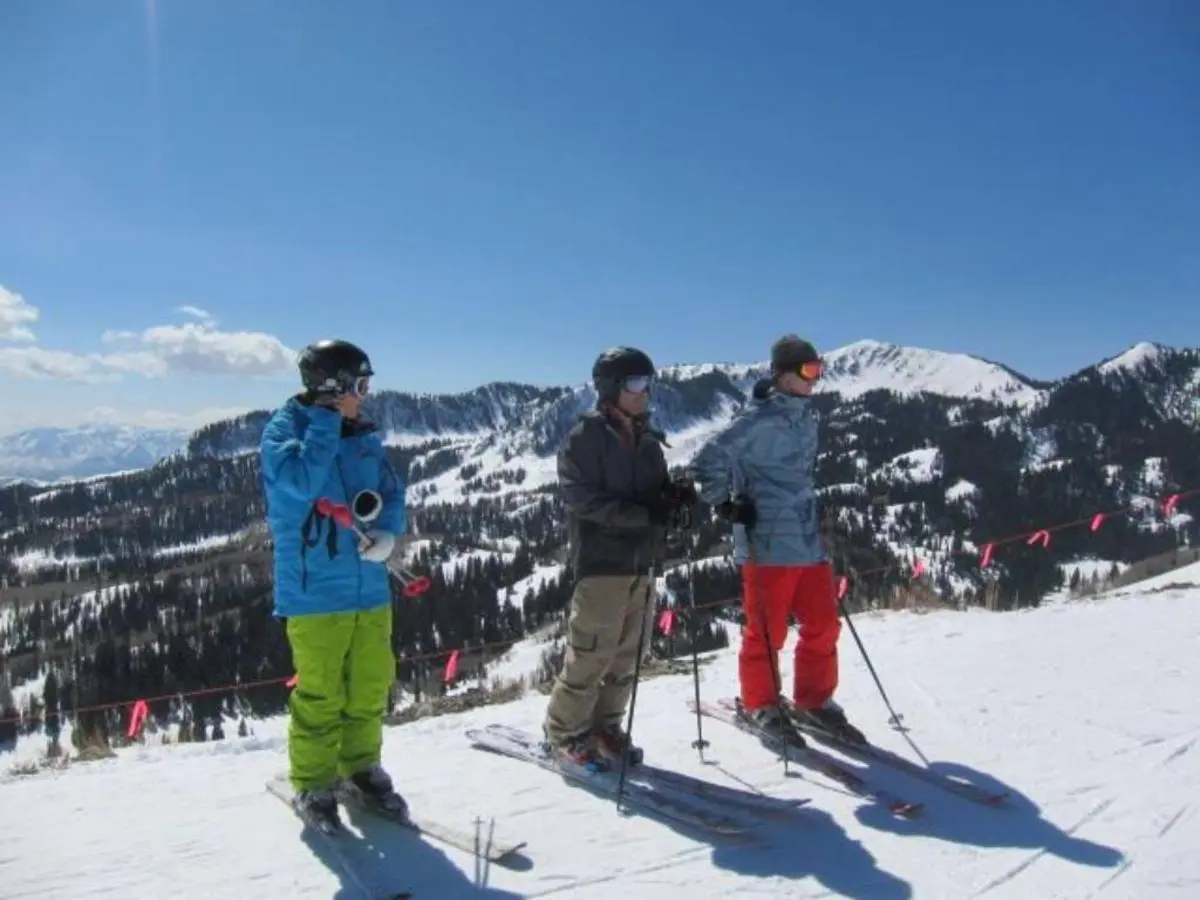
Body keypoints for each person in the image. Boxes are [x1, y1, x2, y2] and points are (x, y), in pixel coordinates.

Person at [260, 338, 409, 827]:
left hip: (369, 585)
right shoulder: (284, 433)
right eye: (359, 385)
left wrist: (388, 532)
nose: (365, 395)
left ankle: (361, 767)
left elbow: (390, 490)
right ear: (333, 386)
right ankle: (314, 783)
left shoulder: (362, 434)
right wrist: (326, 418)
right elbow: (301, 482)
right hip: (314, 592)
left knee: (369, 684)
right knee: (321, 693)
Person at [691, 334, 864, 745]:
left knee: (823, 625)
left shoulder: (806, 419)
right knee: (768, 633)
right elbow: (707, 461)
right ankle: (760, 704)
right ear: (785, 375)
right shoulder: (756, 421)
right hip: (765, 542)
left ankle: (813, 702)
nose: (816, 379)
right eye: (809, 371)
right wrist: (726, 506)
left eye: (819, 370)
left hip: (807, 541)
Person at [543, 346, 695, 767]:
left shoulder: (647, 439)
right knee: (591, 652)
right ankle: (564, 731)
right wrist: (644, 514)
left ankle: (605, 725)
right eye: (635, 383)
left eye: (648, 382)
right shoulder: (583, 440)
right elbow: (583, 500)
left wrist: (674, 497)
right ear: (611, 388)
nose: (645, 392)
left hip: (642, 563)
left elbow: (654, 495)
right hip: (602, 563)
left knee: (628, 655)